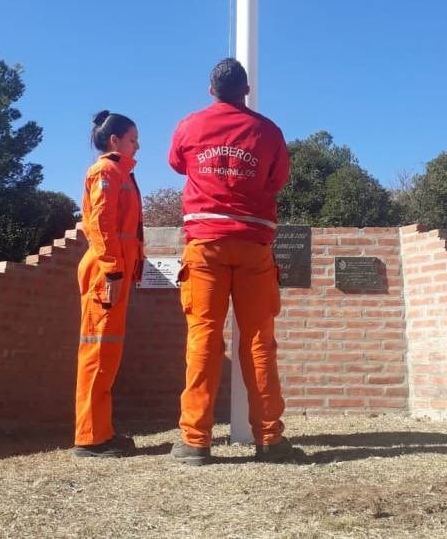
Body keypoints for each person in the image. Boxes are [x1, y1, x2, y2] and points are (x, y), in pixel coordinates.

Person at [168, 58, 295, 465]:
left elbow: (177, 163)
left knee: (203, 336)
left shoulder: (190, 125)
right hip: (255, 246)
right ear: (246, 91)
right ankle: (270, 439)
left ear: (210, 90)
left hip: (205, 245)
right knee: (259, 341)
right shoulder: (268, 131)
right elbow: (277, 180)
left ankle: (195, 441)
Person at [73, 111, 144, 458]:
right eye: (132, 139)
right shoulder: (106, 171)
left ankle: (101, 432)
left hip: (113, 272)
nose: (137, 146)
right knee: (97, 352)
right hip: (106, 273)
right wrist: (115, 271)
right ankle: (89, 438)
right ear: (114, 140)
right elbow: (101, 225)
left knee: (107, 354)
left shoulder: (121, 173)